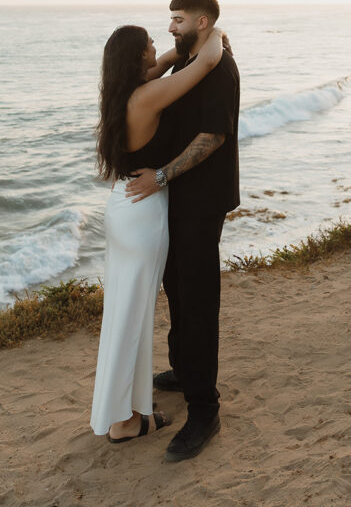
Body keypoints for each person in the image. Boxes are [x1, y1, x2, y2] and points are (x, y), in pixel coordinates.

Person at [90, 23, 223, 443]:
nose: (157, 44)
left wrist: (165, 56)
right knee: (134, 317)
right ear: (137, 57)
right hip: (144, 210)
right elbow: (207, 63)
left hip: (121, 207)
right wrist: (213, 29)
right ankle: (127, 422)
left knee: (122, 314)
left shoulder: (120, 94)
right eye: (149, 41)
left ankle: (123, 414)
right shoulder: (147, 96)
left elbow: (165, 63)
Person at [126, 0, 240, 462]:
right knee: (176, 289)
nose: (170, 26)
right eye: (169, 19)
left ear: (202, 21)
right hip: (175, 200)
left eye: (178, 19)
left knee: (197, 300)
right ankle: (182, 368)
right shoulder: (189, 58)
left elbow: (212, 136)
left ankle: (204, 409)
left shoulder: (222, 69)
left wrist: (162, 176)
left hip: (201, 201)